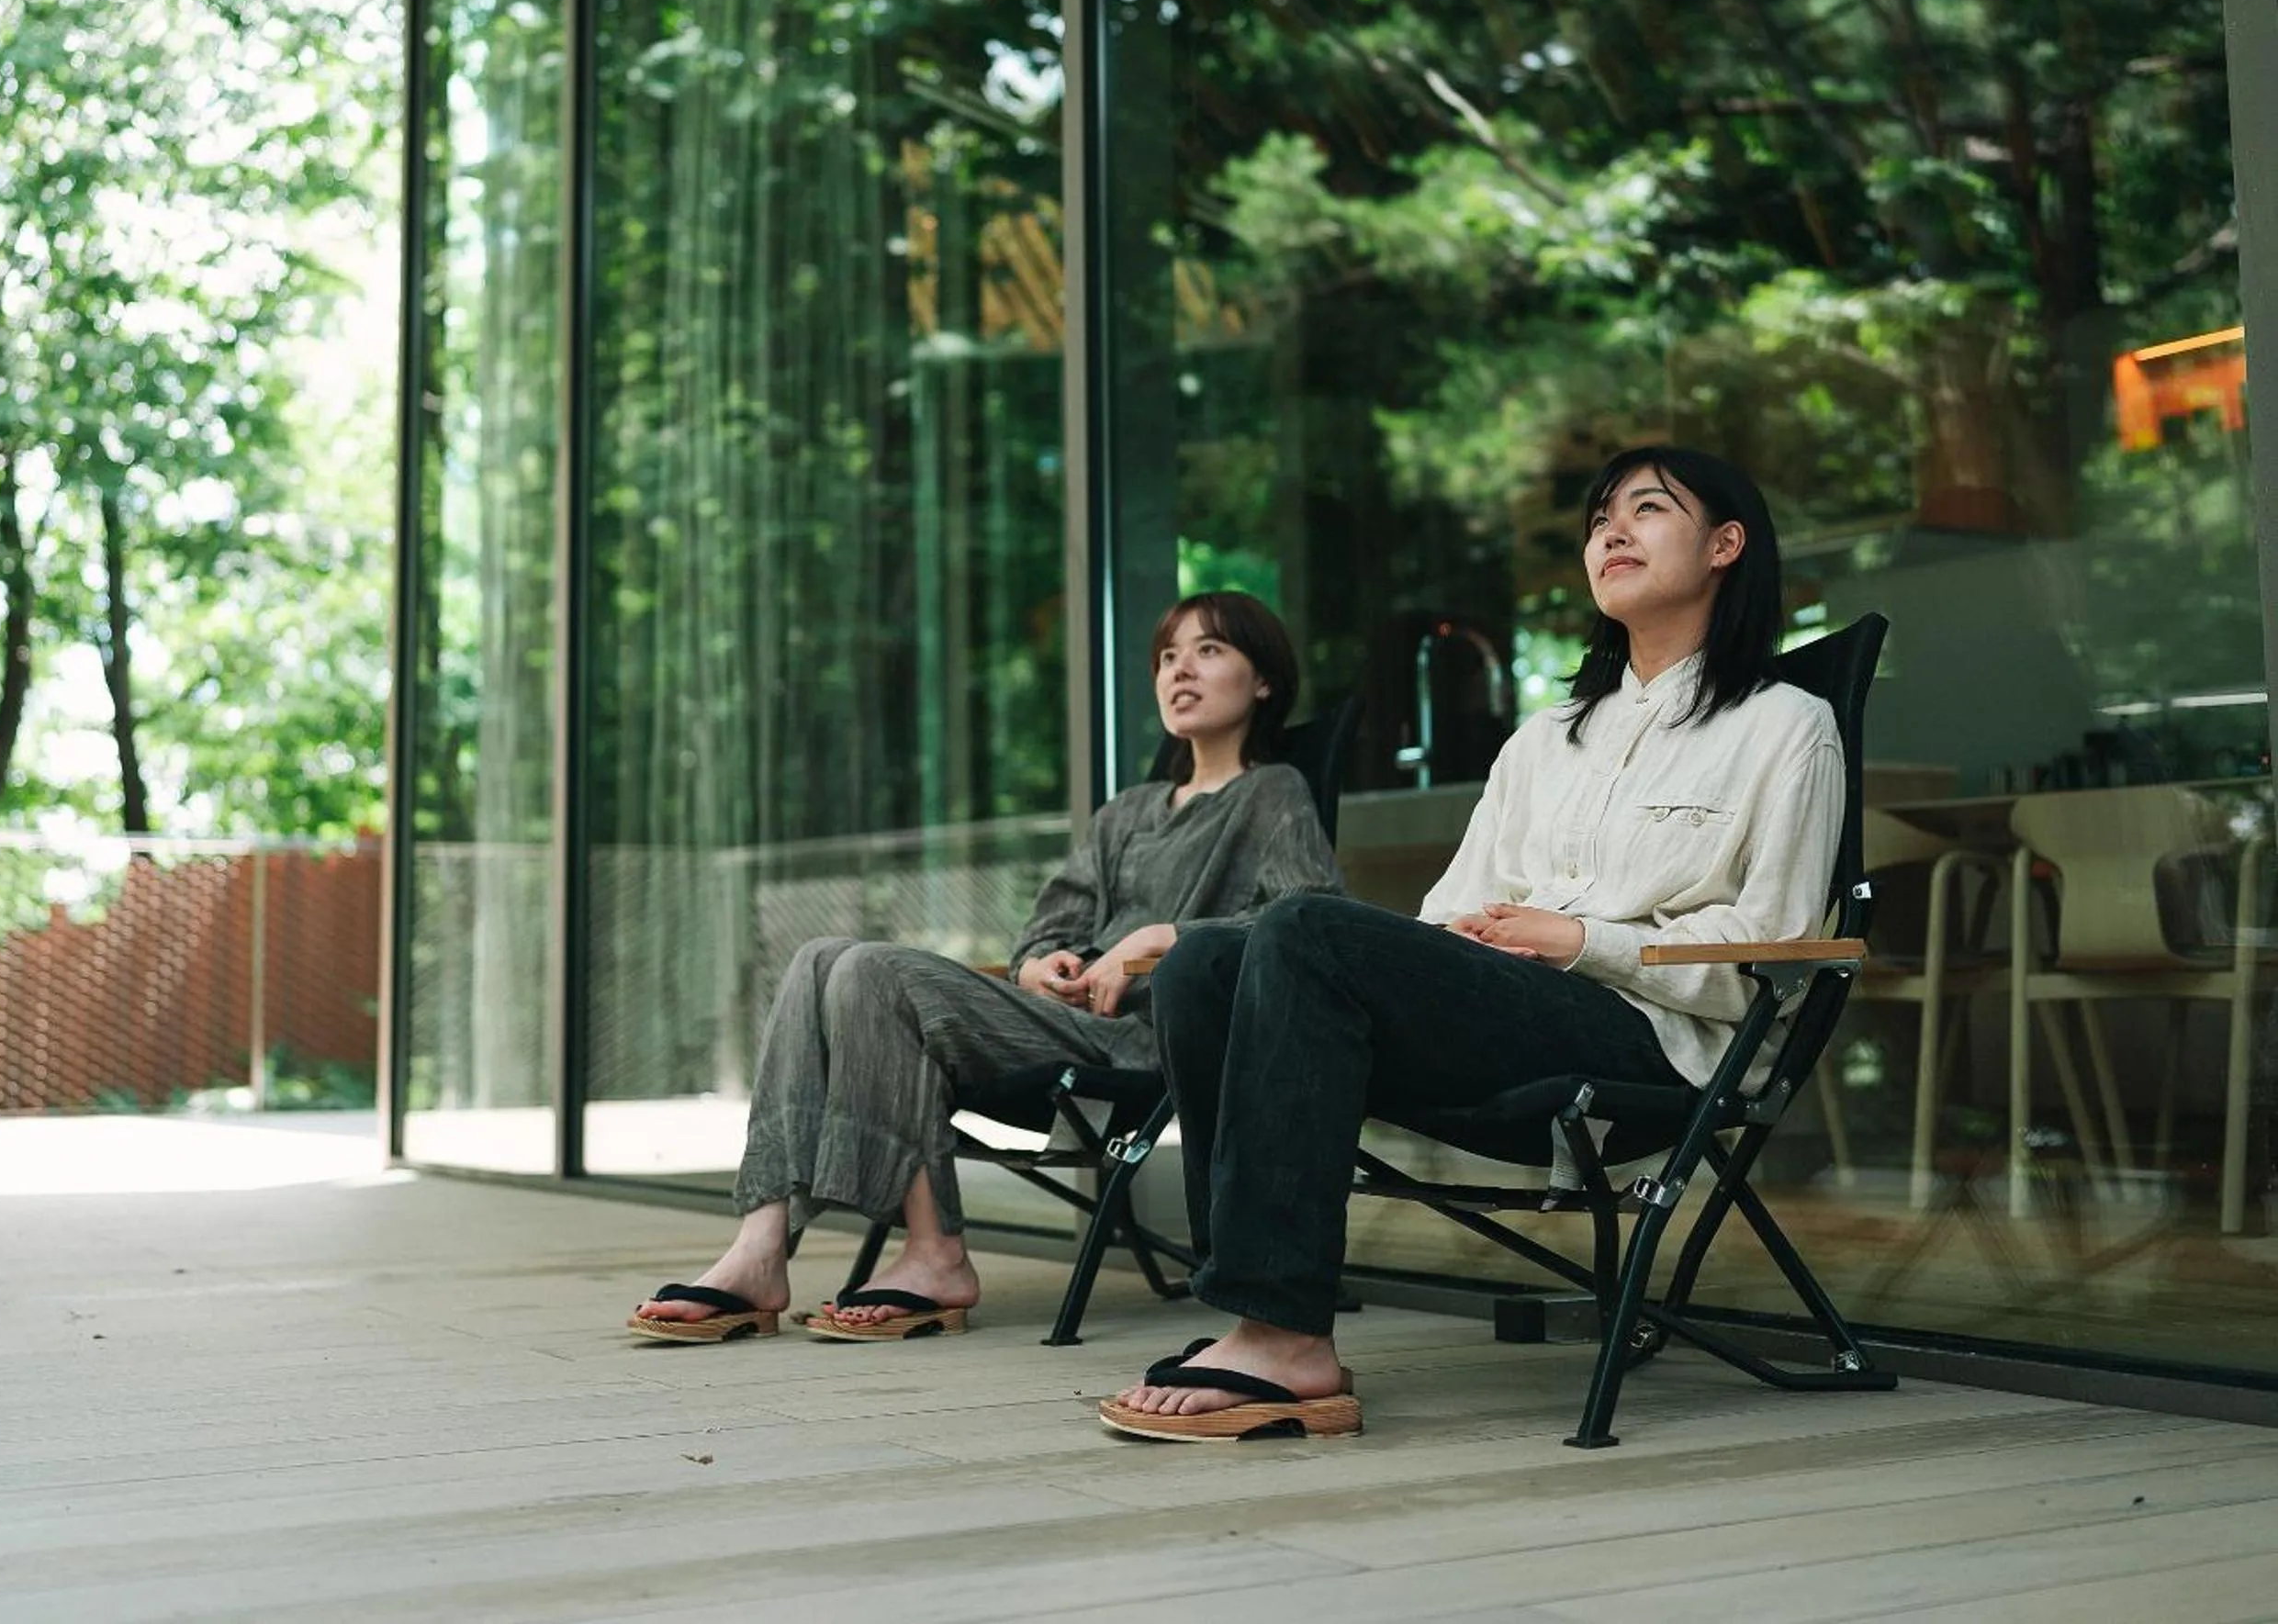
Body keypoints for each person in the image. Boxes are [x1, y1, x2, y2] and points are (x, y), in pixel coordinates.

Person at [1101, 447, 1842, 1439]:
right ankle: (1255, 1309)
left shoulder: (1788, 728)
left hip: (1646, 1041)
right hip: (1503, 1024)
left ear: (1726, 545)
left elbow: (1772, 955)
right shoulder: (1547, 739)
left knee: (1303, 924)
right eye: (1597, 520)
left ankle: (1286, 1337)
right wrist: (1485, 945)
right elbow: (1451, 912)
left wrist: (1581, 938)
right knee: (1206, 962)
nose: (1609, 532)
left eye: (1646, 510)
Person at [630, 591, 1343, 1345]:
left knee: (872, 973)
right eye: (1168, 656)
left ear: (1262, 682)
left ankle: (935, 1256)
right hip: (1053, 1019)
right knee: (820, 959)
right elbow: (1048, 925)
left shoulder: (1274, 793)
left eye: (1209, 651)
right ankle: (760, 1246)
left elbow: (1307, 918)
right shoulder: (1127, 813)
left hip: (1138, 1041)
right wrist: (1039, 964)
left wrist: (1161, 939)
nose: (1179, 671)